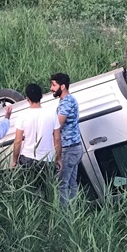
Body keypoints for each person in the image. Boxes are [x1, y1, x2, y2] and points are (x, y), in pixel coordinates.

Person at [11, 83, 62, 199]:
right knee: (47, 194)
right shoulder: (51, 113)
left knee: (29, 194)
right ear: (41, 96)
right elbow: (57, 138)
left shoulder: (22, 115)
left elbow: (18, 141)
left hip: (27, 158)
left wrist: (14, 160)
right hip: (47, 159)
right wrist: (59, 158)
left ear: (27, 98)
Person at [51, 72, 83, 207]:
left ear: (62, 86)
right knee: (71, 182)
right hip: (74, 147)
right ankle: (73, 212)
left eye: (54, 85)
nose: (51, 88)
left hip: (68, 149)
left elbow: (58, 125)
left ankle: (64, 215)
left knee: (62, 184)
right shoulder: (69, 100)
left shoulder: (66, 103)